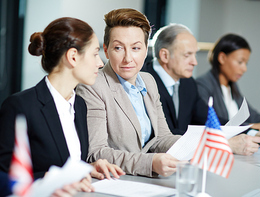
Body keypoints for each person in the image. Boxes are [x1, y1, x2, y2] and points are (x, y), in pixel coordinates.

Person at [0, 17, 124, 193]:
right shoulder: (20, 106)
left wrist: (88, 167)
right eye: (95, 53)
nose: (100, 63)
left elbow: (65, 162)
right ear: (73, 57)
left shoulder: (79, 105)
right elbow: (5, 176)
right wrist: (51, 183)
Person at [76, 8, 181, 178]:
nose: (128, 58)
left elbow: (162, 138)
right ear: (106, 49)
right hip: (118, 180)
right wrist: (150, 163)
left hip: (150, 181)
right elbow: (96, 152)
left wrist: (199, 143)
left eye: (136, 48)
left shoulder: (149, 81)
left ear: (146, 50)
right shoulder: (93, 86)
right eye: (118, 48)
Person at [195, 33, 260, 155]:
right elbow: (214, 122)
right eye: (240, 62)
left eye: (245, 63)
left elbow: (252, 115)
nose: (244, 69)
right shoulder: (202, 85)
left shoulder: (231, 86)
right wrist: (254, 128)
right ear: (222, 58)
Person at [142, 24, 209, 135]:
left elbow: (207, 118)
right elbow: (164, 134)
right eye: (187, 55)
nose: (194, 62)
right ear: (164, 56)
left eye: (195, 54)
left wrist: (246, 129)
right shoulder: (142, 82)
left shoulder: (188, 83)